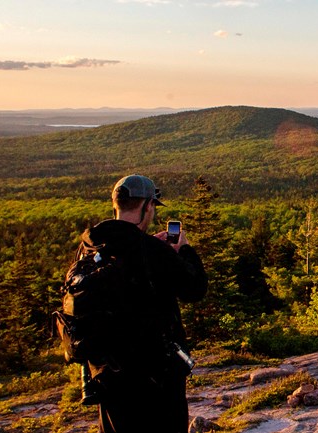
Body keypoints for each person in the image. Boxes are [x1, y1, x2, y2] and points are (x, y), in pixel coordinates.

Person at [82, 174, 208, 432]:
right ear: (147, 206)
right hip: (156, 376)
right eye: (152, 207)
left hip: (107, 376)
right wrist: (183, 250)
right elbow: (195, 289)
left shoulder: (90, 248)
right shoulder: (151, 250)